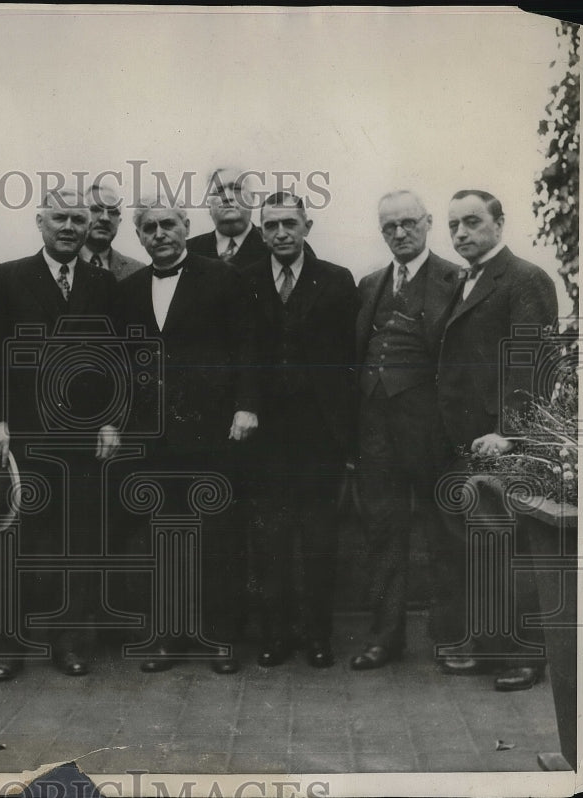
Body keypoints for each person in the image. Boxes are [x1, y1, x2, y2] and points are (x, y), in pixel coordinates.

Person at [0, 187, 120, 681]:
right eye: (60, 217)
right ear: (40, 221)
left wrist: (111, 420)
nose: (70, 227)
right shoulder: (10, 277)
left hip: (82, 440)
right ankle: (9, 645)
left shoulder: (103, 283)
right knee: (18, 540)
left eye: (80, 219)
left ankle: (71, 641)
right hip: (24, 437)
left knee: (77, 541)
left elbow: (119, 359)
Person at [114, 199, 259, 674]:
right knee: (162, 536)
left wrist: (245, 405)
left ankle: (219, 637)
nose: (159, 233)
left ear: (186, 227)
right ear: (139, 236)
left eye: (168, 224)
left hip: (211, 432)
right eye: (149, 227)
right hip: (152, 438)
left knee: (215, 533)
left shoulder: (223, 277)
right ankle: (166, 639)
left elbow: (247, 346)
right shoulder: (129, 289)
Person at [437, 189, 559, 691]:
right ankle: (491, 647)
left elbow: (531, 361)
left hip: (502, 443)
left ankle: (525, 656)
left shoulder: (525, 278)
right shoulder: (463, 281)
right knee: (480, 545)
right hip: (465, 440)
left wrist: (509, 433)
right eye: (454, 226)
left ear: (499, 223)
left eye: (472, 222)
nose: (461, 233)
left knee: (510, 545)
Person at [236, 191, 358, 669]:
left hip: (319, 436)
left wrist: (346, 437)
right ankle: (276, 635)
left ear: (308, 226)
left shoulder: (336, 279)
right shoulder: (244, 281)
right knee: (269, 541)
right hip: (265, 436)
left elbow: (348, 360)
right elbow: (241, 353)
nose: (281, 233)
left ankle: (318, 636)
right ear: (261, 231)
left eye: (290, 223)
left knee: (319, 540)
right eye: (271, 225)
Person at [350, 190, 462, 670]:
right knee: (382, 535)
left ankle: (451, 637)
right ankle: (384, 637)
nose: (399, 233)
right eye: (389, 226)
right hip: (376, 432)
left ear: (428, 222)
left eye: (408, 223)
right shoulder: (370, 283)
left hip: (431, 430)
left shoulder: (454, 279)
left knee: (444, 534)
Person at [187, 166, 269, 265]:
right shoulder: (189, 251)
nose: (227, 197)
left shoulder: (273, 246)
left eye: (236, 189)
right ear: (207, 204)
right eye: (219, 191)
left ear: (252, 198)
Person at [79, 181, 145, 280]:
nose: (105, 218)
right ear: (81, 216)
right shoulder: (62, 263)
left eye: (113, 212)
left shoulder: (137, 271)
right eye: (96, 209)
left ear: (119, 221)